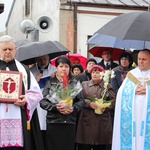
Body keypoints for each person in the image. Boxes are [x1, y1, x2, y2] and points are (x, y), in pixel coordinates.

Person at [0, 35, 44, 150]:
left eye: (10, 49)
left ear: (15, 50)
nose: (8, 52)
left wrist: (26, 100)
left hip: (18, 115)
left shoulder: (23, 69)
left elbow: (36, 93)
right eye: (4, 49)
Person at [40, 56, 85, 150]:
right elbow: (43, 101)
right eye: (61, 66)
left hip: (69, 122)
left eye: (66, 66)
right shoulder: (50, 83)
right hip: (54, 122)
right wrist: (55, 107)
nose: (64, 69)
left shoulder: (74, 83)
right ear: (56, 68)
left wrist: (73, 108)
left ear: (69, 69)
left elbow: (81, 101)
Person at [112, 49, 150, 150]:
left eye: (144, 59)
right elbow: (120, 93)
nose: (141, 61)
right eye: (139, 59)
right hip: (133, 117)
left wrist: (148, 90)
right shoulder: (132, 74)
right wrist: (133, 91)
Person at [76, 65, 115, 150]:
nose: (95, 74)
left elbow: (113, 100)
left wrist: (106, 107)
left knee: (100, 146)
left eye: (97, 72)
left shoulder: (107, 86)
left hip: (102, 122)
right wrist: (89, 103)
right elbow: (79, 99)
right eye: (93, 72)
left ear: (102, 74)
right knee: (84, 145)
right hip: (86, 121)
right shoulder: (84, 84)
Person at [30, 54, 56, 149]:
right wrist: (35, 81)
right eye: (40, 59)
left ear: (49, 58)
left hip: (50, 103)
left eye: (45, 59)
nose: (43, 61)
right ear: (36, 59)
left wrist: (55, 79)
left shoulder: (54, 70)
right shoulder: (30, 71)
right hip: (36, 104)